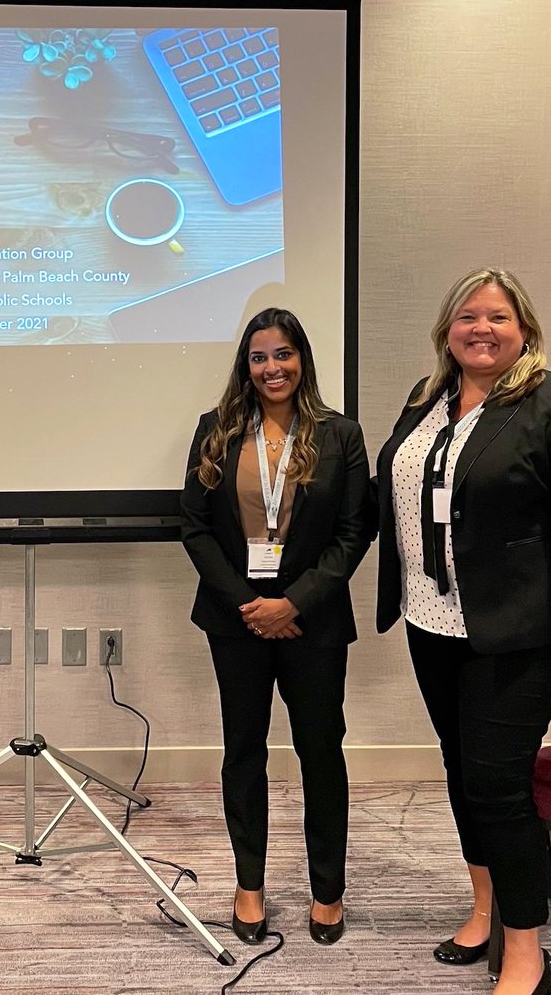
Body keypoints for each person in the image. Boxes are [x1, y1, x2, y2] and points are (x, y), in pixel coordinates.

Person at [374, 267, 551, 995]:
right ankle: (484, 907)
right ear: (447, 330)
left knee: (498, 784)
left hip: (519, 632)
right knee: (461, 772)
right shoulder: (426, 398)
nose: (482, 328)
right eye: (467, 316)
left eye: (498, 316)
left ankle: (527, 952)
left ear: (525, 329)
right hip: (430, 620)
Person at [181, 308, 372, 947]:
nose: (272, 368)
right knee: (244, 751)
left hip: (313, 623)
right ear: (246, 365)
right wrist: (250, 606)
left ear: (302, 360)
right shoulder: (215, 431)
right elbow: (195, 528)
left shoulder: (341, 435)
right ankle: (249, 884)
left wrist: (293, 603)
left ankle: (328, 890)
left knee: (321, 753)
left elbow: (354, 532)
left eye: (283, 354)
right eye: (260, 357)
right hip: (235, 621)